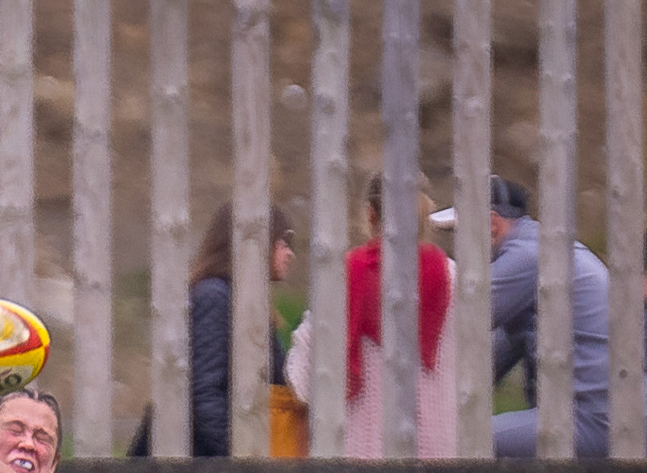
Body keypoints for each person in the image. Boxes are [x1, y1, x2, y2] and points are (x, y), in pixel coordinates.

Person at [431, 176, 611, 458]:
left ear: (491, 223)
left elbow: (451, 320)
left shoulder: (529, 255)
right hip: (600, 415)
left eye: (459, 232)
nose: (458, 245)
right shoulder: (542, 248)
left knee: (451, 441)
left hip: (589, 420)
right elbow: (493, 356)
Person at [286, 175, 457, 457]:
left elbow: (304, 376)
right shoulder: (453, 279)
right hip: (436, 455)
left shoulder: (344, 276)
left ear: (369, 213)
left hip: (359, 454)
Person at [188, 202, 297, 456]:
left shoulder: (239, 300)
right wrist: (243, 459)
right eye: (282, 242)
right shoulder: (214, 297)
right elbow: (204, 394)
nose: (290, 254)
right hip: (205, 471)